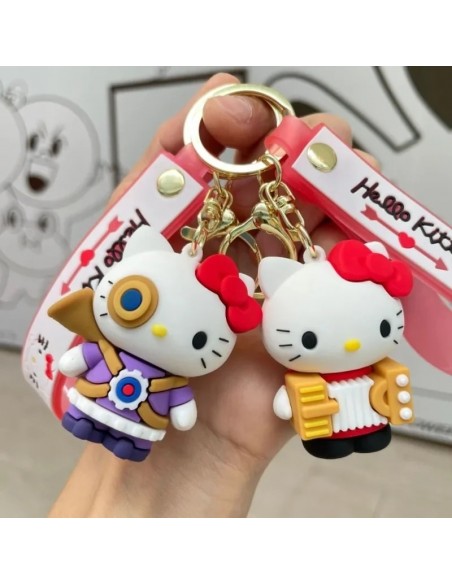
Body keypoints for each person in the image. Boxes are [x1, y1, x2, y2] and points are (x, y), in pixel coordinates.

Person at [48, 72, 379, 517]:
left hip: (148, 422)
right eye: (133, 304)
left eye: (200, 340)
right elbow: (83, 361)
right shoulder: (124, 344)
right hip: (103, 402)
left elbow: (173, 399)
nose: (160, 330)